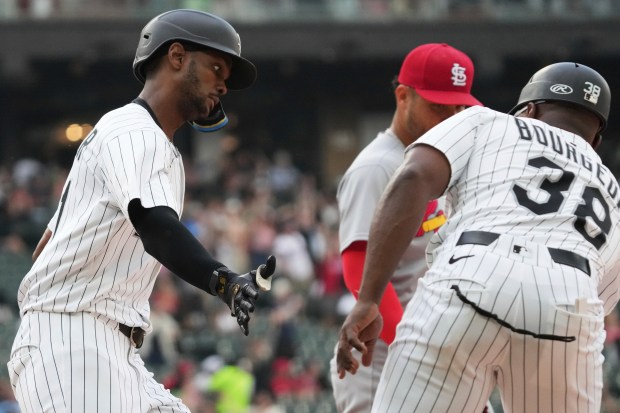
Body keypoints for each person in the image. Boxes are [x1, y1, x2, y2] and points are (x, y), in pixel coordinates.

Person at [7, 9, 276, 413]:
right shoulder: (134, 130)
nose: (224, 84)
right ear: (177, 56)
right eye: (216, 67)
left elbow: (44, 248)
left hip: (111, 349)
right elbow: (154, 225)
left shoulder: (141, 139)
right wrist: (222, 281)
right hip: (73, 341)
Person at [336, 61, 619, 413]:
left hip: (469, 276)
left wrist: (368, 300)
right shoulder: (613, 191)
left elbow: (413, 176)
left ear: (529, 109)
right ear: (596, 139)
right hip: (569, 303)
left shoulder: (490, 121)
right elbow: (600, 295)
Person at [327, 43, 485, 413]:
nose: (450, 119)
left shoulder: (444, 163)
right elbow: (358, 268)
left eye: (460, 108)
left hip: (435, 349)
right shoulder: (377, 167)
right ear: (403, 96)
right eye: (437, 107)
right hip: (383, 358)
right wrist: (416, 354)